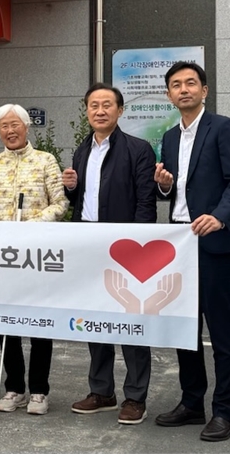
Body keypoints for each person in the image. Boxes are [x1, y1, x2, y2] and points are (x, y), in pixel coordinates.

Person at [153, 62, 230, 442]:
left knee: (221, 329)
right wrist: (164, 185)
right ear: (169, 95)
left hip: (214, 242)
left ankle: (225, 410)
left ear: (204, 90)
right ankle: (192, 402)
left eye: (191, 83)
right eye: (176, 85)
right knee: (184, 327)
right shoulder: (169, 137)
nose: (184, 89)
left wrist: (220, 216)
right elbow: (175, 191)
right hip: (179, 243)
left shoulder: (224, 128)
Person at [62, 83, 157, 425]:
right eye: (93, 105)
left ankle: (135, 396)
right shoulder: (82, 150)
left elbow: (146, 203)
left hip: (125, 248)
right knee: (95, 318)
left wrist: (138, 246)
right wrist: (70, 188)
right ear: (86, 110)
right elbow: (82, 200)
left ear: (120, 110)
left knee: (131, 319)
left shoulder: (138, 149)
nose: (99, 111)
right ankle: (101, 391)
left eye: (106, 105)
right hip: (88, 244)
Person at [0, 103, 67, 416]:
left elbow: (60, 204)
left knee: (39, 323)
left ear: (26, 127)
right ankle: (14, 388)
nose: (10, 131)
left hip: (37, 253)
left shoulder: (45, 160)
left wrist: (32, 224)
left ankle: (39, 390)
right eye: (4, 126)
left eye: (15, 125)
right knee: (6, 323)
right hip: (3, 254)